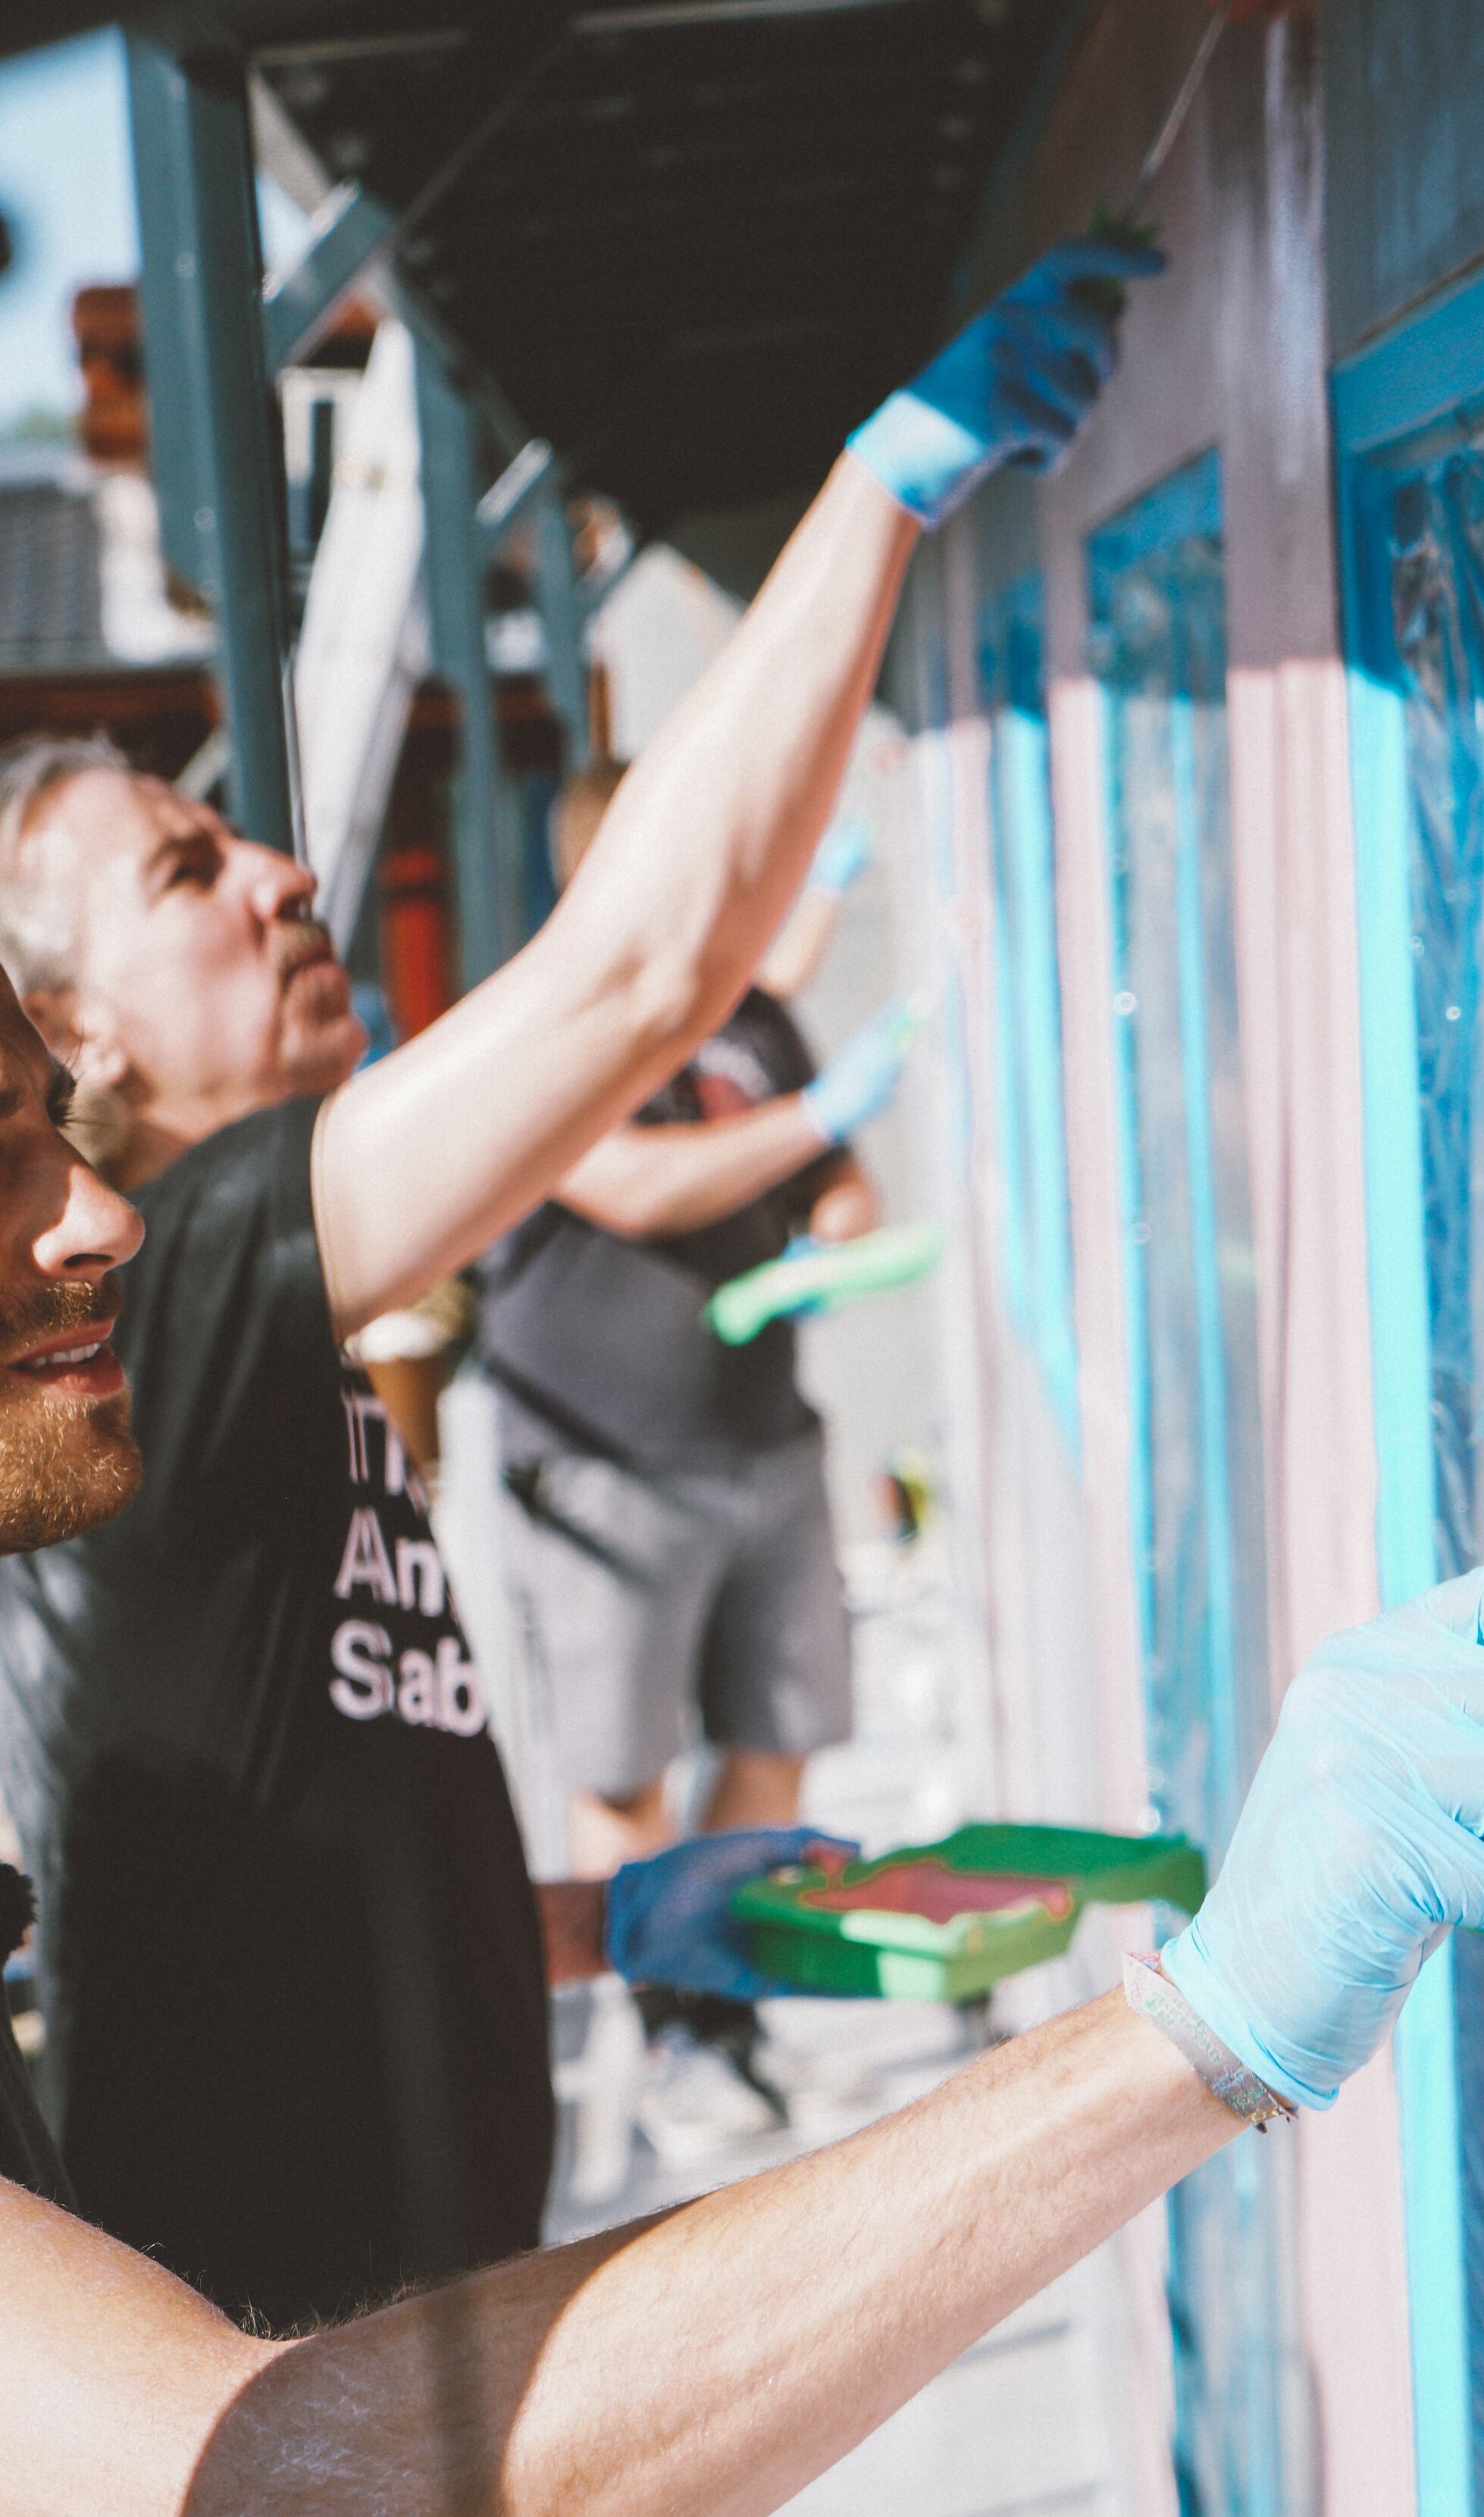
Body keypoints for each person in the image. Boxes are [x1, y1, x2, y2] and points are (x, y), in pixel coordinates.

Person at [0, 795, 1484, 2517]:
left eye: (59, 1137)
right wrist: (1198, 2037)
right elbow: (261, 2482)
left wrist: (589, 1926)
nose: (93, 1219)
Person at [0, 235, 1157, 2327]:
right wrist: (885, 485)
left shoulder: (202, 1333)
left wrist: (598, 1923)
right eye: (188, 874)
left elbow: (270, 1861)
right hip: (297, 2358)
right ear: (72, 1031)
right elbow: (650, 970)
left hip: (384, 2327)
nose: (284, 873)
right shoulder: (180, 1278)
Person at [473, 761, 909, 2129]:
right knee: (625, 1773)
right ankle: (667, 2037)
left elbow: (836, 1184)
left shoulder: (753, 1015)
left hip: (768, 1447)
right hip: (604, 1467)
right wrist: (823, 1118)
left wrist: (836, 1215)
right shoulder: (553, 1024)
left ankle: (733, 2009)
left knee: (775, 1742)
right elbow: (634, 1184)